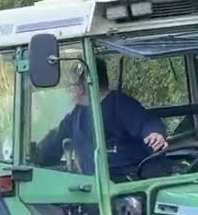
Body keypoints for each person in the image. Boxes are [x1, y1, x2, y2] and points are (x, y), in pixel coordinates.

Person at [33, 58, 168, 181]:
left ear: (81, 87)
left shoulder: (120, 104)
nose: (68, 90)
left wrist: (154, 133)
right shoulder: (77, 114)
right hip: (92, 185)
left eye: (71, 85)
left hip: (125, 183)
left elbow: (146, 122)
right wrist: (35, 155)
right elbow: (56, 139)